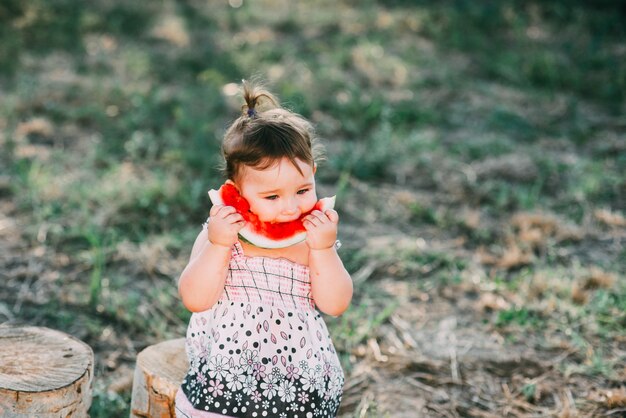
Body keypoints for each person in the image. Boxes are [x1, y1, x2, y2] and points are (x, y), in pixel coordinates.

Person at [175, 80, 353, 418]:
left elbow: (336, 304)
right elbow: (195, 299)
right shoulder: (219, 235)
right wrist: (217, 244)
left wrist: (325, 250)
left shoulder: (311, 242)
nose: (290, 208)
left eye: (303, 190)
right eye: (272, 196)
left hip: (296, 383)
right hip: (225, 379)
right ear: (235, 192)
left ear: (314, 173)